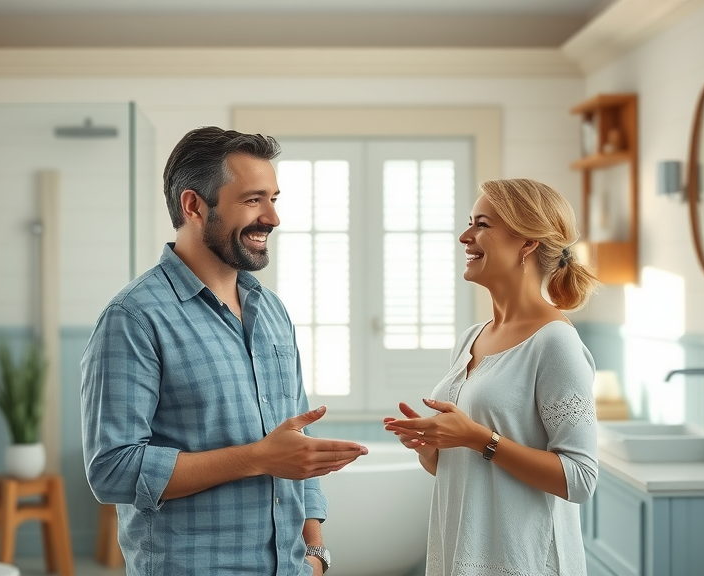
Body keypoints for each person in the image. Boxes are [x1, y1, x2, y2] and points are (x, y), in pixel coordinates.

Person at [80, 126, 367, 576]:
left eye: (274, 199)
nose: (272, 217)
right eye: (253, 200)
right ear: (194, 205)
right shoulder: (133, 318)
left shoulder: (271, 310)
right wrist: (256, 458)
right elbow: (112, 470)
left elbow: (296, 443)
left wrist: (315, 555)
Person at [383, 178, 600, 576]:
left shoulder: (555, 343)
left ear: (527, 242)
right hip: (461, 554)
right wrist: (432, 448)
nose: (465, 236)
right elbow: (471, 466)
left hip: (526, 561)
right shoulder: (472, 338)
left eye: (482, 224)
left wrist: (476, 437)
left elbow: (581, 479)